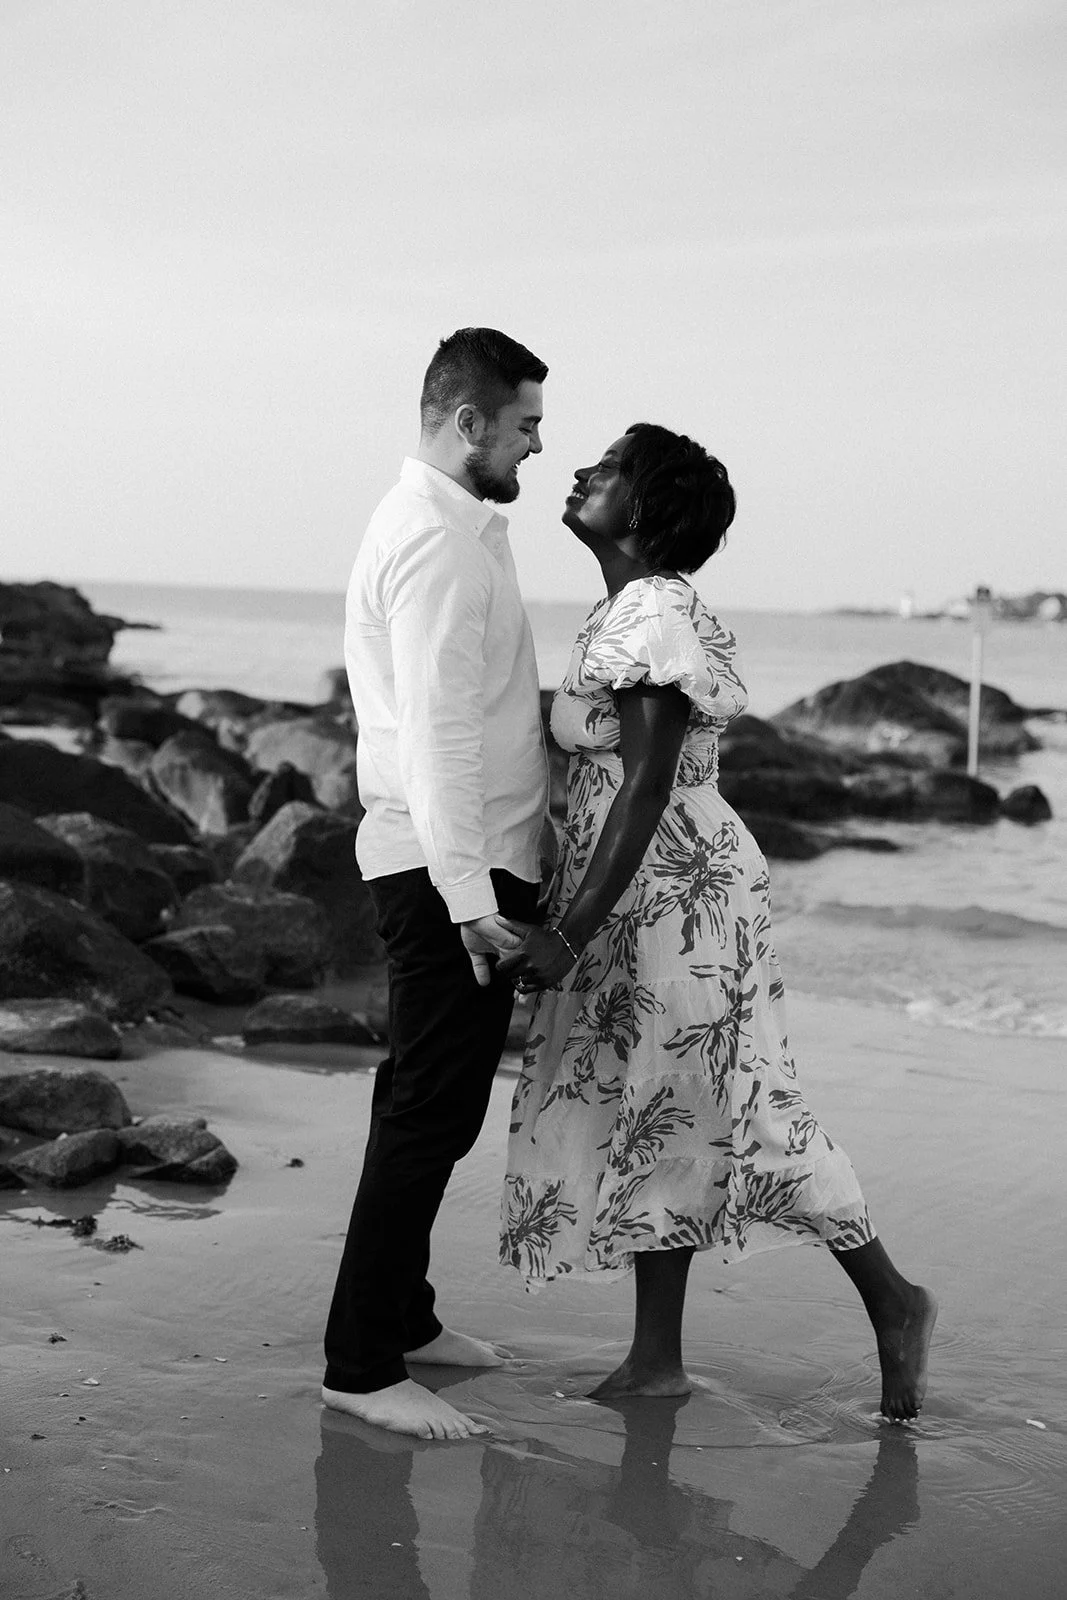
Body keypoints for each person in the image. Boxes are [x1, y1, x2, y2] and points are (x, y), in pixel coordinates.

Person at [499, 424, 937, 1422]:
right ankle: (655, 1359)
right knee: (663, 1106)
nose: (581, 471)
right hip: (646, 888)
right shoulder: (632, 606)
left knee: (734, 1104)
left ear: (646, 508)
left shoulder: (651, 611)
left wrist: (566, 932)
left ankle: (893, 1299)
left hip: (672, 893)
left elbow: (645, 784)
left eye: (609, 467)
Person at [323, 327, 551, 1440]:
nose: (536, 447)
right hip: (444, 869)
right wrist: (471, 901)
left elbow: (480, 710)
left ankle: (402, 1320)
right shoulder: (435, 541)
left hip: (454, 861)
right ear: (468, 422)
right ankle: (361, 1367)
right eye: (524, 426)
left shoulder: (458, 530)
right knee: (429, 1114)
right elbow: (434, 733)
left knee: (427, 1104)